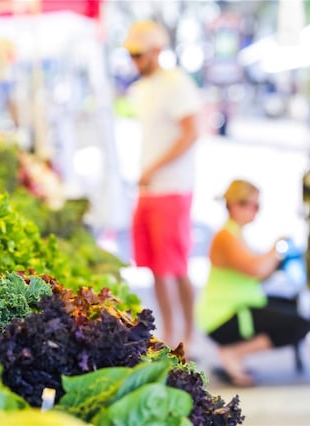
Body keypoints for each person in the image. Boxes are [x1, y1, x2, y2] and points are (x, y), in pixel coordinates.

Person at [123, 20, 202, 351]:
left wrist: (154, 167)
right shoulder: (143, 89)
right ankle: (172, 331)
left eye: (139, 54)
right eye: (131, 55)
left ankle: (183, 335)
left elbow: (192, 131)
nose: (135, 61)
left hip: (171, 187)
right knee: (157, 267)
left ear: (157, 51)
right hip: (150, 188)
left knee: (173, 267)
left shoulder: (176, 83)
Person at [194, 179, 310, 386]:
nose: (256, 211)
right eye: (252, 205)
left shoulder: (236, 233)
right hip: (225, 316)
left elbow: (259, 273)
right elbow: (256, 269)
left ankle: (234, 353)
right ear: (234, 205)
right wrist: (277, 248)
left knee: (296, 308)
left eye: (258, 206)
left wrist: (278, 260)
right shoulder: (225, 236)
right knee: (299, 325)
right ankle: (233, 353)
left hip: (242, 305)